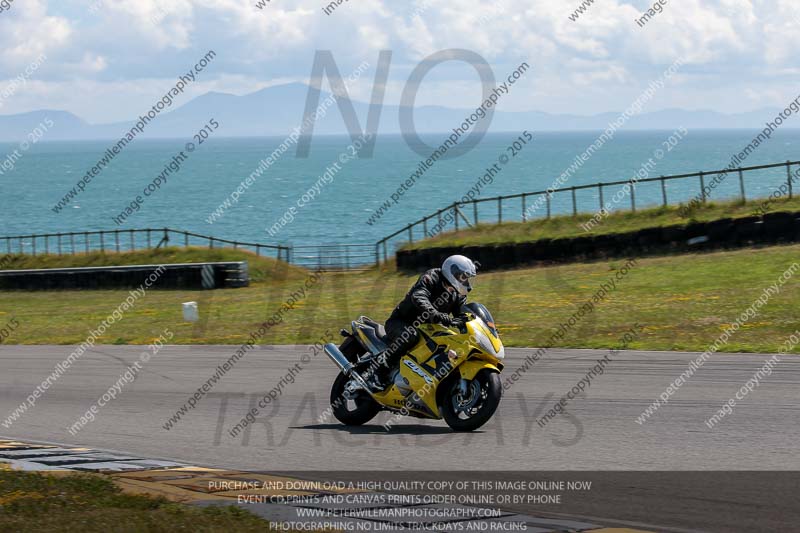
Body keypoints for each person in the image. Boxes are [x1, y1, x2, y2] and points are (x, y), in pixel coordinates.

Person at [367, 255, 478, 391]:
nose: (466, 282)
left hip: (427, 329)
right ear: (453, 273)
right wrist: (437, 315)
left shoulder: (457, 295)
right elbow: (419, 296)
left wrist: (473, 321)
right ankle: (378, 371)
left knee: (448, 341)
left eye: (468, 278)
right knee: (409, 336)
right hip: (401, 322)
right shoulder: (432, 277)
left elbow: (461, 314)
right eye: (464, 277)